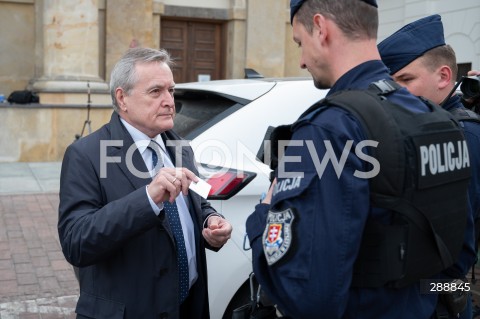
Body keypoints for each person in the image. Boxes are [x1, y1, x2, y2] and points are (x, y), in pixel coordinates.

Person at [245, 1, 470, 318]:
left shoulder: (328, 129)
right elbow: (460, 259)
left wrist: (262, 218)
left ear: (321, 28)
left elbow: (308, 298)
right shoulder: (438, 119)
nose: (301, 61)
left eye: (300, 43)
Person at [58, 47, 232, 319]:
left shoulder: (180, 147)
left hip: (189, 307)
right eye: (155, 92)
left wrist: (211, 221)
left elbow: (195, 200)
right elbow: (76, 243)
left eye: (171, 91)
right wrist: (148, 198)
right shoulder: (87, 154)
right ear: (122, 98)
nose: (169, 101)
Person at [378, 15, 480, 319]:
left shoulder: (463, 136)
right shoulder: (418, 129)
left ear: (444, 77)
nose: (394, 93)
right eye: (390, 82)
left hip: (440, 299)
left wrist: (419, 292)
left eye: (406, 80)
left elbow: (458, 254)